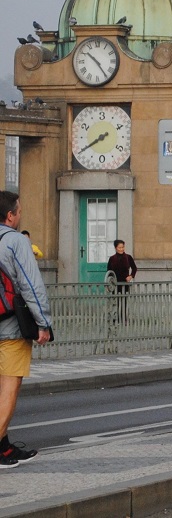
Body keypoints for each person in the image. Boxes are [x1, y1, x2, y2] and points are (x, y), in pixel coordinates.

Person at [0, 191, 51, 468]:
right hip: (10, 327)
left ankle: (4, 449)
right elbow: (32, 286)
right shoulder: (16, 241)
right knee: (9, 386)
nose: (20, 215)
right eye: (19, 211)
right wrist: (43, 323)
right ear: (10, 215)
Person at [106, 239, 136, 322]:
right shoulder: (112, 259)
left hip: (125, 283)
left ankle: (123, 318)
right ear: (116, 248)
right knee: (115, 301)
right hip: (115, 283)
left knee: (124, 301)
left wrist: (131, 276)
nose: (121, 249)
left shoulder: (128, 257)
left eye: (122, 247)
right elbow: (109, 271)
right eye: (119, 247)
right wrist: (111, 280)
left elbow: (134, 268)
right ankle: (114, 318)